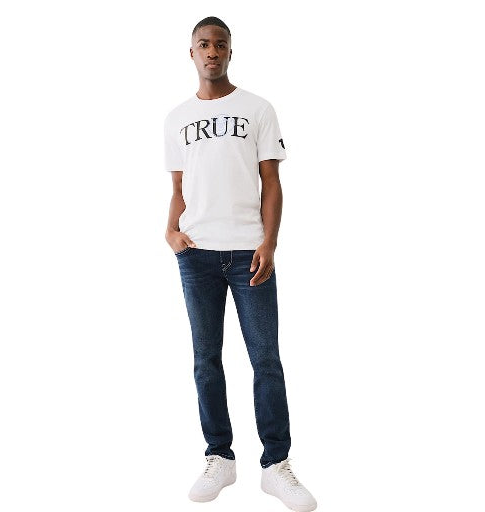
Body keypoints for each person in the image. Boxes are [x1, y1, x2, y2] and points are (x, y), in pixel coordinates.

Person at [163, 16, 317, 512]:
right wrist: (170, 230)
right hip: (196, 254)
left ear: (231, 51)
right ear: (191, 53)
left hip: (250, 252)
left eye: (220, 44)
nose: (212, 51)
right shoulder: (177, 118)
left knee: (265, 359)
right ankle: (220, 457)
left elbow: (271, 182)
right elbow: (179, 187)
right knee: (205, 359)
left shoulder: (257, 109)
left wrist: (270, 242)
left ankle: (275, 465)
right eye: (203, 44)